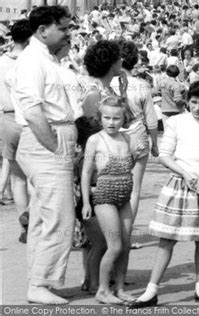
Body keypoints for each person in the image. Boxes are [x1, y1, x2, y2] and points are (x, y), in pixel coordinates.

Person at [129, 81, 199, 308]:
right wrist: (185, 174)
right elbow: (165, 155)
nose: (197, 108)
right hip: (180, 183)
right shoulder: (175, 122)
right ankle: (151, 290)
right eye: (193, 102)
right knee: (167, 238)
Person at [10, 5, 76, 304]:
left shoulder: (44, 58)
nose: (67, 33)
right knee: (58, 216)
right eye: (62, 28)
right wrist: (55, 147)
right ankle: (40, 283)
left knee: (42, 214)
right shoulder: (32, 61)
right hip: (46, 139)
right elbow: (33, 111)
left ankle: (39, 279)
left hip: (51, 137)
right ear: (43, 30)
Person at [81, 96, 135, 304]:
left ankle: (120, 288)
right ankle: (103, 290)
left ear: (124, 119)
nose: (111, 122)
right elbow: (86, 173)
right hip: (104, 197)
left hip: (125, 197)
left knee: (126, 245)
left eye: (116, 118)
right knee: (114, 246)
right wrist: (86, 202)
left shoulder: (127, 139)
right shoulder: (95, 140)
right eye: (106, 118)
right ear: (99, 118)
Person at [111, 40, 159, 225]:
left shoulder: (107, 83)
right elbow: (151, 119)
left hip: (112, 137)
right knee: (134, 188)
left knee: (110, 185)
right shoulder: (142, 85)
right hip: (138, 136)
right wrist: (155, 143)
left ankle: (110, 233)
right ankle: (126, 234)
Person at [1, 19, 31, 243]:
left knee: (17, 177)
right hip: (31, 119)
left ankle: (26, 224)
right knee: (34, 175)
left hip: (7, 118)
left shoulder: (1, 62)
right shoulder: (33, 61)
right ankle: (36, 221)